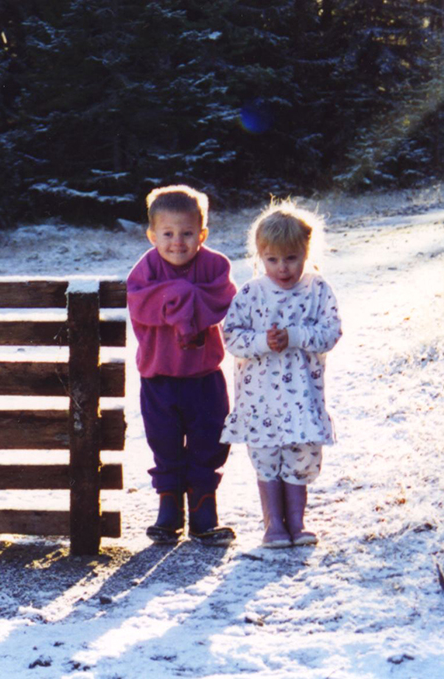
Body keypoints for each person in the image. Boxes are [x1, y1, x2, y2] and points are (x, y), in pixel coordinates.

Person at [220, 200, 342, 548]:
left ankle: (298, 523)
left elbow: (332, 332)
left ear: (306, 252)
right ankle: (273, 524)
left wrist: (297, 336)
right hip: (261, 401)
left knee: (300, 457)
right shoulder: (251, 293)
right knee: (267, 458)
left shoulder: (318, 290)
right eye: (272, 259)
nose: (282, 268)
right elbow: (231, 337)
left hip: (302, 398)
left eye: (291, 258)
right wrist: (262, 341)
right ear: (259, 256)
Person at [127, 185, 238, 546]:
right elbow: (141, 306)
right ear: (152, 235)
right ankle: (169, 508)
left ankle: (205, 511)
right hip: (159, 377)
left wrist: (187, 299)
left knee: (209, 441)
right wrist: (181, 296)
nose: (178, 242)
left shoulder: (215, 265)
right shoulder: (144, 271)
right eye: (168, 234)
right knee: (166, 443)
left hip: (205, 376)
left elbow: (222, 301)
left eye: (188, 233)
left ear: (202, 234)